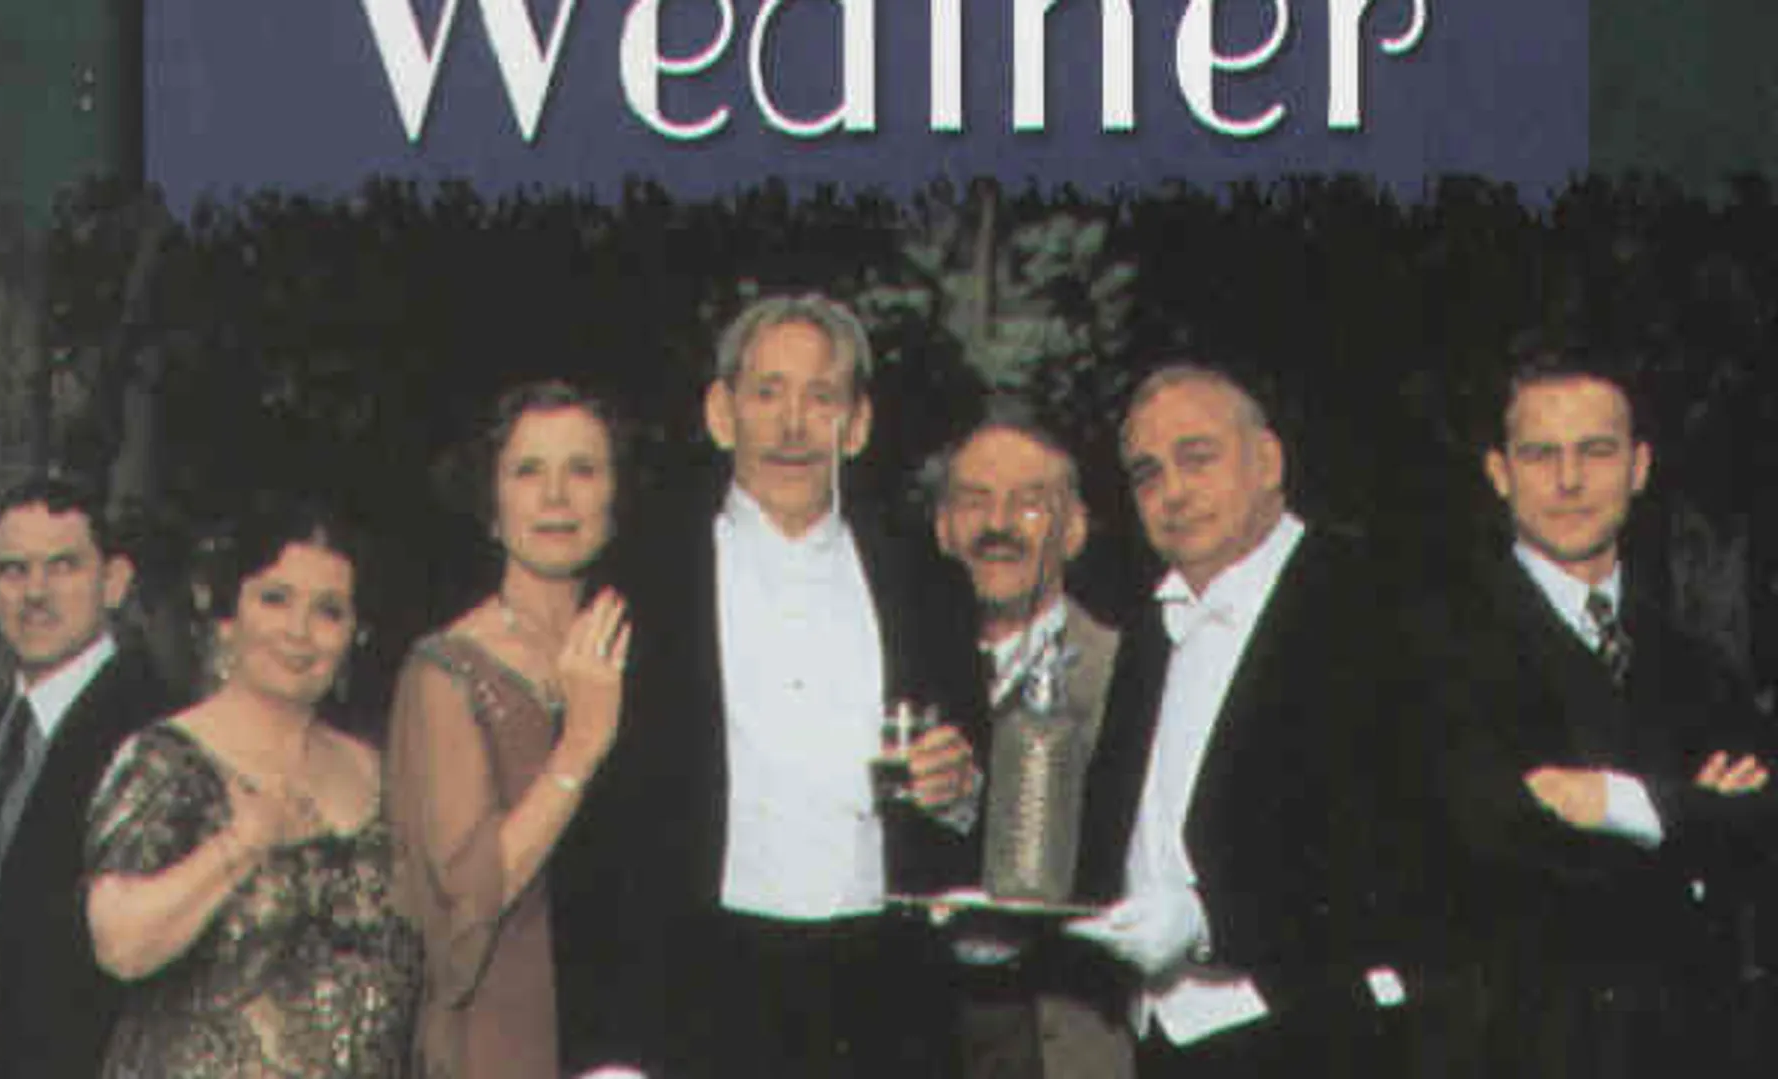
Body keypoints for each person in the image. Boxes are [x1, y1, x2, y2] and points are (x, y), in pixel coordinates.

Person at [566, 292, 984, 1078]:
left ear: (857, 424)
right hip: (700, 986)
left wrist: (959, 788)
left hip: (884, 991)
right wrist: (608, 1055)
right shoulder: (643, 574)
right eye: (767, 393)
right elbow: (603, 830)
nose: (793, 425)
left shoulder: (927, 582)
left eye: (821, 396)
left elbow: (972, 794)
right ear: (721, 413)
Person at [1421, 344, 1775, 1077]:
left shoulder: (1695, 662)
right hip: (1518, 1052)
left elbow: (1764, 824)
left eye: (1597, 450)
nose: (1570, 479)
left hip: (1694, 1049)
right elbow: (1491, 837)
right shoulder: (1436, 647)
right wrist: (1695, 820)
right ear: (1499, 473)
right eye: (1540, 454)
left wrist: (1617, 801)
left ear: (1639, 467)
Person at [1066, 362, 1428, 1076]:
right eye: (1147, 473)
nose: (1172, 491)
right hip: (1163, 1039)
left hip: (1317, 1033)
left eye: (1198, 457)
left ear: (1267, 461)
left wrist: (1208, 920)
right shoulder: (1151, 628)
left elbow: (1408, 847)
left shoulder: (1374, 599)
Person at [82, 496, 421, 1077]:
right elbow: (120, 946)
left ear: (355, 635)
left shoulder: (382, 774)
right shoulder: (166, 761)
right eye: (274, 599)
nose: (299, 631)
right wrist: (242, 844)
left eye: (328, 611)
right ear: (227, 618)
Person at [383, 380, 631, 1079]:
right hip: (503, 1035)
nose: (556, 496)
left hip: (631, 1029)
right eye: (527, 471)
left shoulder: (643, 649)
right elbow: (467, 898)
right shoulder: (447, 671)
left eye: (582, 469)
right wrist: (580, 746)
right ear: (491, 508)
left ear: (615, 499)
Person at [0, 475, 176, 1079]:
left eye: (63, 566)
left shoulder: (155, 735)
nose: (35, 593)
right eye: (13, 571)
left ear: (114, 581)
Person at [925, 394, 1136, 1079]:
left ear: (1074, 529)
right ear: (943, 528)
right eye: (974, 501)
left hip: (1068, 1040)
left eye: (1029, 504)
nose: (998, 525)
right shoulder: (895, 672)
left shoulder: (1133, 674)